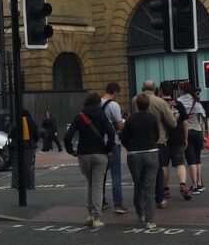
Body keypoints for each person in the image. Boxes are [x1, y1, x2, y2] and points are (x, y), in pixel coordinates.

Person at [64, 92, 116, 229]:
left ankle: (89, 215)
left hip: (83, 154)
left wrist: (71, 151)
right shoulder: (101, 115)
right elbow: (111, 133)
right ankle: (97, 218)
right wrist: (109, 148)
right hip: (100, 153)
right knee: (98, 185)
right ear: (98, 103)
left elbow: (67, 137)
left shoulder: (79, 116)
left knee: (90, 183)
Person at [131, 79, 176, 209]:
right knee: (158, 170)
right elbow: (172, 122)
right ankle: (159, 198)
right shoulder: (160, 102)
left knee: (141, 172)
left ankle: (142, 200)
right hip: (158, 140)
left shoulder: (135, 100)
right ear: (155, 89)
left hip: (138, 140)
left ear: (142, 88)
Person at [121, 93, 160, 229]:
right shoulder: (153, 118)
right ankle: (150, 220)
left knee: (138, 185)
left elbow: (123, 137)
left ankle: (140, 213)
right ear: (148, 104)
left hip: (134, 154)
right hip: (151, 152)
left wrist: (130, 147)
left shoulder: (130, 120)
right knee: (150, 186)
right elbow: (156, 135)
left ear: (137, 104)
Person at [159, 83, 190, 201]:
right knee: (180, 163)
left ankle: (165, 189)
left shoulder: (158, 104)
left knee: (163, 165)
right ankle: (183, 184)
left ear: (161, 91)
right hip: (178, 138)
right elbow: (185, 123)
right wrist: (185, 138)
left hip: (163, 139)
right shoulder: (179, 104)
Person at [100, 82, 126, 214]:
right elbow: (118, 126)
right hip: (113, 142)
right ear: (115, 92)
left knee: (101, 174)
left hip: (99, 143)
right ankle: (118, 204)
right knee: (116, 173)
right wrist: (123, 123)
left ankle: (101, 201)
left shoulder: (97, 103)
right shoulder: (113, 105)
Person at [178, 84, 206, 195]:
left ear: (183, 90)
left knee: (191, 160)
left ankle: (194, 186)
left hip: (187, 132)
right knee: (198, 159)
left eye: (179, 89)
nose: (178, 90)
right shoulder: (196, 102)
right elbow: (202, 120)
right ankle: (199, 184)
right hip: (198, 132)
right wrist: (204, 135)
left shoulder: (179, 102)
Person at [9, 109, 39, 190]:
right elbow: (37, 136)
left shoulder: (16, 123)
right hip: (30, 147)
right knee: (29, 166)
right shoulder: (32, 123)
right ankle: (31, 185)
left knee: (17, 166)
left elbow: (11, 134)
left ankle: (18, 185)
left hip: (18, 148)